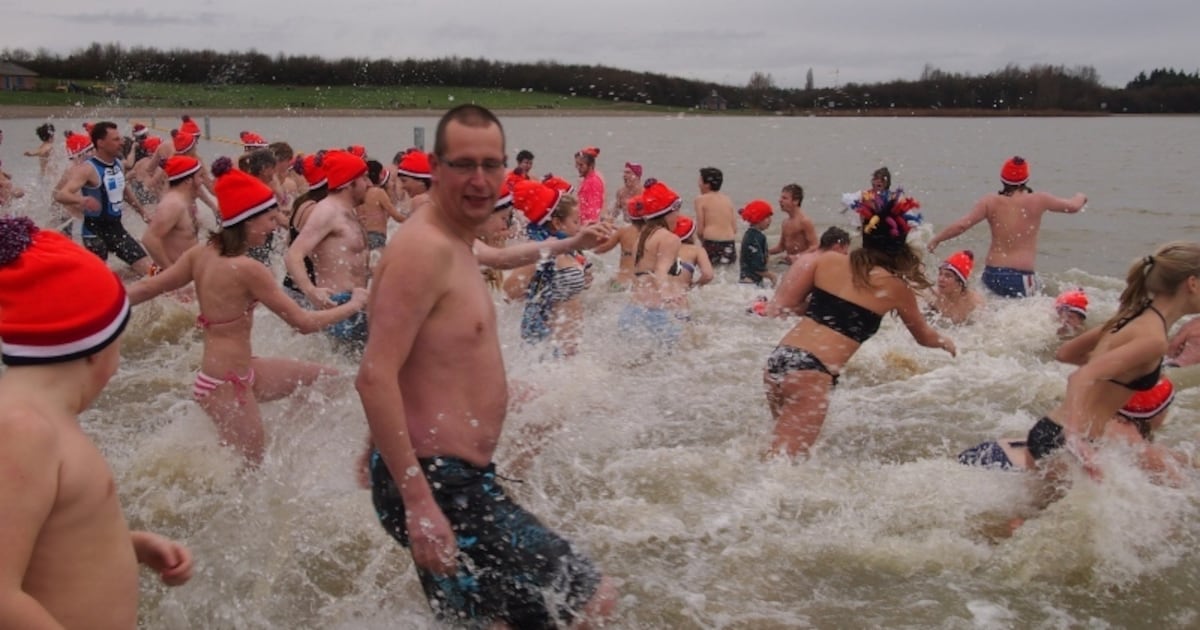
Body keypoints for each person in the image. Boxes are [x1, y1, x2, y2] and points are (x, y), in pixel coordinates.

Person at [356, 104, 616, 628]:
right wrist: (419, 503)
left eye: (491, 165)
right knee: (589, 598)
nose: (480, 180)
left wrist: (573, 242)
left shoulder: (454, 239)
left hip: (447, 477)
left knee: (496, 622)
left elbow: (499, 259)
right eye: (463, 165)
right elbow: (374, 375)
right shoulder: (421, 251)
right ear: (435, 167)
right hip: (441, 483)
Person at [0, 215, 193, 627]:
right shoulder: (23, 431)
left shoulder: (45, 423)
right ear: (94, 350)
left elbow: (44, 543)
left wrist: (129, 547)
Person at [127, 159, 367, 465]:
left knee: (326, 379)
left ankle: (286, 447)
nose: (274, 225)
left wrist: (103, 305)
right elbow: (304, 323)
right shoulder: (249, 269)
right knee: (250, 469)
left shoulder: (201, 253)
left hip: (241, 371)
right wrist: (354, 304)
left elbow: (147, 288)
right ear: (248, 221)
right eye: (269, 218)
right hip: (226, 383)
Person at [763, 189, 956, 457]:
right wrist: (946, 342)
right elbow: (924, 337)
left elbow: (790, 306)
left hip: (780, 359)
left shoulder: (829, 260)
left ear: (864, 235)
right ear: (900, 246)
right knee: (782, 465)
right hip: (811, 371)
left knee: (777, 454)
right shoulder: (896, 288)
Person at [1018, 244, 1200, 483]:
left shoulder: (1130, 317)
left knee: (1030, 517)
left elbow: (1066, 353)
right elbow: (1080, 377)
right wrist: (1075, 440)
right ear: (1193, 284)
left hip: (1050, 429)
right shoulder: (1154, 339)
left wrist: (1115, 371)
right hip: (1070, 442)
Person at [958, 377, 1186, 483]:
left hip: (995, 450)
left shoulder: (1095, 415)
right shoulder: (1140, 446)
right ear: (1155, 412)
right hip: (1009, 474)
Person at [927, 156, 1088, 298]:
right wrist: (1081, 196)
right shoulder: (1039, 200)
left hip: (992, 274)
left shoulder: (990, 201)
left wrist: (936, 239)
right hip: (1021, 277)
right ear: (1026, 179)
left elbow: (962, 225)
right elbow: (1073, 207)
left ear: (1003, 179)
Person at [283, 149, 372, 351]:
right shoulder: (326, 211)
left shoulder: (348, 212)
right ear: (350, 183)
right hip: (338, 305)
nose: (370, 184)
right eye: (364, 178)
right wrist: (311, 291)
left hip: (356, 304)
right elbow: (293, 255)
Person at [52, 121, 154, 275]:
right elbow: (61, 194)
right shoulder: (87, 169)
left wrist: (142, 212)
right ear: (100, 143)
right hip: (94, 233)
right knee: (98, 283)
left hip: (116, 229)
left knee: (151, 271)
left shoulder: (118, 164)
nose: (121, 142)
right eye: (115, 140)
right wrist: (82, 200)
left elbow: (124, 191)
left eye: (119, 138)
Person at [507, 180, 592, 356]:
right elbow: (510, 290)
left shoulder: (563, 248)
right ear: (557, 223)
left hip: (565, 348)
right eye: (576, 221)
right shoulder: (542, 248)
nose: (580, 227)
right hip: (547, 345)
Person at [618, 179, 686, 348]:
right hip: (655, 314)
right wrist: (669, 297)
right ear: (668, 212)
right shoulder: (670, 238)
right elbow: (661, 272)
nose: (678, 215)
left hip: (631, 311)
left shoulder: (642, 236)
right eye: (677, 210)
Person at [142, 155, 203, 270]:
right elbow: (149, 239)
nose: (202, 181)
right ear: (188, 181)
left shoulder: (185, 201)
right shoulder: (173, 205)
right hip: (173, 278)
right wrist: (170, 271)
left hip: (184, 273)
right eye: (200, 177)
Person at [356, 160, 405, 251]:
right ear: (377, 175)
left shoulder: (360, 194)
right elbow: (396, 216)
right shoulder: (378, 192)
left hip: (362, 236)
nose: (383, 176)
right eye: (381, 173)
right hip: (377, 236)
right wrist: (412, 219)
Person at [927, 250, 985, 325]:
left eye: (948, 276)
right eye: (940, 274)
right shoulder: (933, 297)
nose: (941, 279)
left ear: (960, 283)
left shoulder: (974, 303)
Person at [694, 166, 738, 265]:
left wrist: (702, 243)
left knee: (711, 273)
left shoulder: (700, 199)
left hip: (711, 242)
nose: (698, 184)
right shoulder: (728, 199)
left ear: (707, 185)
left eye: (700, 181)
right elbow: (734, 229)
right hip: (729, 242)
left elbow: (700, 229)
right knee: (726, 273)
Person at [770, 183, 818, 262]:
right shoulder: (785, 222)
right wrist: (764, 252)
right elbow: (781, 247)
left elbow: (815, 247)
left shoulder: (804, 221)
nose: (780, 200)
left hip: (804, 263)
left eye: (784, 198)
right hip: (790, 263)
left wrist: (797, 257)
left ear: (796, 201)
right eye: (781, 197)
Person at [739, 199, 776, 287]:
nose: (770, 220)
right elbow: (756, 265)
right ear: (757, 218)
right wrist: (772, 276)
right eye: (767, 217)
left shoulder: (750, 235)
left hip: (746, 280)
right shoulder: (755, 238)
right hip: (750, 283)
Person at [395, 148, 433, 218]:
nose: (402, 186)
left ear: (421, 180)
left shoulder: (420, 201)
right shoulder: (441, 201)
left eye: (404, 181)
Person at [574, 145, 605, 224]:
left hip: (588, 226)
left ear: (590, 165)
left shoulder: (592, 182)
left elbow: (593, 211)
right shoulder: (592, 178)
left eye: (581, 165)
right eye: (577, 164)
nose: (577, 167)